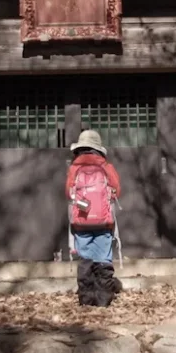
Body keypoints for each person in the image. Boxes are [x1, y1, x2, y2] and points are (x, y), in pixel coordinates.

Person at [65, 130, 123, 307]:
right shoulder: (106, 167)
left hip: (82, 222)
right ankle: (103, 299)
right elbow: (116, 191)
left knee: (86, 258)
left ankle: (86, 300)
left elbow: (69, 192)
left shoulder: (74, 168)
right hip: (104, 222)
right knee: (103, 257)